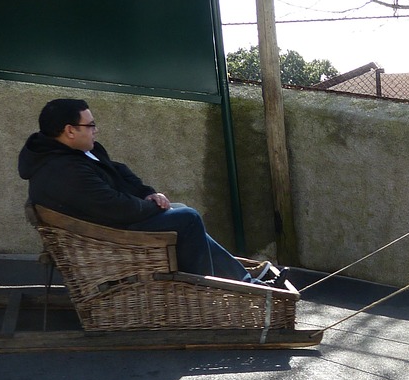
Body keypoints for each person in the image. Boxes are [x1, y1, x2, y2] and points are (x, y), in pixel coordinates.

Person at [18, 98, 275, 284]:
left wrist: (148, 194)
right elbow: (114, 207)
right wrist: (153, 206)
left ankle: (242, 277)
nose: (96, 130)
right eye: (90, 125)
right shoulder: (63, 169)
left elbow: (119, 172)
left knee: (182, 211)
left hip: (109, 224)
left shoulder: (80, 152)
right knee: (187, 218)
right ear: (69, 131)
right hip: (105, 236)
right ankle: (216, 286)